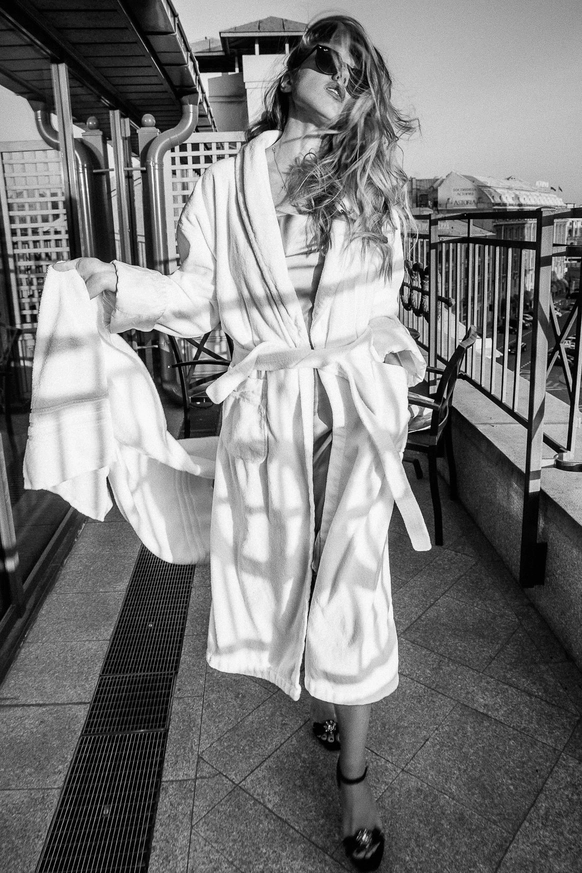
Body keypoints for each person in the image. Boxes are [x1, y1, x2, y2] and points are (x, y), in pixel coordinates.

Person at [56, 15, 429, 870]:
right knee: (290, 567)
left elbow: (384, 301)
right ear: (294, 70)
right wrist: (115, 282)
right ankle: (323, 690)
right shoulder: (226, 184)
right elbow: (195, 296)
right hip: (271, 409)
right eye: (333, 62)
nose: (345, 82)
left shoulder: (371, 179)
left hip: (354, 407)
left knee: (354, 586)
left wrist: (391, 377)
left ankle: (354, 779)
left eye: (361, 77)